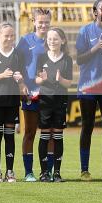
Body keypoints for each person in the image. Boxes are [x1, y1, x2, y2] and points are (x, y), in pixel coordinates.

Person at [75, 0, 102, 180]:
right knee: (88, 127)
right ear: (95, 11)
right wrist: (95, 48)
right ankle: (85, 170)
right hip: (88, 87)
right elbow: (79, 59)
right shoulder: (85, 31)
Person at [0, 22, 27, 183]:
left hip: (12, 101)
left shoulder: (18, 55)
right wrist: (2, 75)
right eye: (6, 35)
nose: (9, 38)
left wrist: (21, 82)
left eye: (12, 36)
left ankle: (10, 171)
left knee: (9, 136)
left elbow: (21, 77)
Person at [15, 7, 51, 181]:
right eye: (40, 22)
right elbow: (16, 64)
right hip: (31, 92)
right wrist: (21, 84)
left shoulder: (54, 39)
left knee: (50, 132)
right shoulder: (25, 41)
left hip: (50, 93)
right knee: (30, 132)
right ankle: (29, 172)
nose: (43, 25)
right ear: (34, 22)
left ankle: (49, 171)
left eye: (46, 22)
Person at [35, 27, 73, 182]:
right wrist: (42, 79)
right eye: (49, 39)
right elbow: (36, 80)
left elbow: (69, 82)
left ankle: (56, 173)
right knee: (44, 136)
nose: (52, 41)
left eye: (55, 39)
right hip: (45, 101)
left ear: (62, 41)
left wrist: (60, 79)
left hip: (60, 101)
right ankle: (44, 173)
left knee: (57, 136)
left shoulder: (67, 59)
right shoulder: (42, 57)